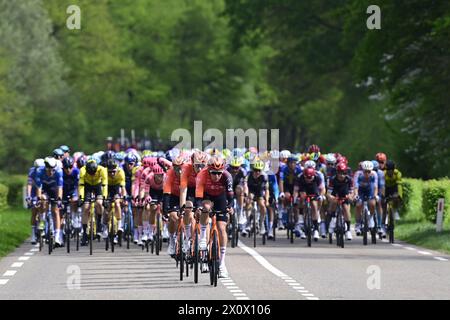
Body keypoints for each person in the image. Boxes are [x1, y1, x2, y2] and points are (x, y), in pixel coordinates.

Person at [195, 156, 234, 278]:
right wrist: (198, 208)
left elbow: (230, 196)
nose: (217, 176)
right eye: (213, 173)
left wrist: (230, 206)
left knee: (222, 228)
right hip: (207, 196)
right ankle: (202, 237)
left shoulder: (227, 176)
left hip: (221, 197)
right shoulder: (202, 175)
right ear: (208, 170)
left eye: (219, 173)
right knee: (205, 208)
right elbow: (198, 197)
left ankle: (222, 263)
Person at [78, 159, 108, 246]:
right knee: (86, 208)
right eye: (90, 173)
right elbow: (81, 186)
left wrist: (105, 198)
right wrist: (81, 198)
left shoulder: (102, 169)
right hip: (87, 186)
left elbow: (105, 185)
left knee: (99, 203)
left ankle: (99, 223)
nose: (92, 175)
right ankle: (84, 233)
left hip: (98, 185)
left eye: (93, 173)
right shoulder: (82, 170)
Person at [35, 157, 64, 246]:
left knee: (56, 211)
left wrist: (59, 199)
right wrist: (39, 198)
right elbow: (39, 187)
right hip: (44, 190)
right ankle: (42, 220)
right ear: (46, 168)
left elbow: (60, 187)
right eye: (49, 170)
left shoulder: (59, 171)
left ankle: (57, 236)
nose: (51, 172)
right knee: (42, 201)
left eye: (53, 170)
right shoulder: (40, 171)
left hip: (54, 190)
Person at [293, 167, 326, 241]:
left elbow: (322, 189)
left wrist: (321, 196)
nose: (308, 179)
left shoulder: (317, 177)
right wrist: (295, 198)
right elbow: (295, 190)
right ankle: (301, 216)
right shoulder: (300, 177)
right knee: (302, 197)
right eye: (306, 177)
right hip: (303, 187)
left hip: (313, 188)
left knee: (314, 205)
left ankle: (316, 229)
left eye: (310, 177)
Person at [327, 162, 354, 240]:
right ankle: (332, 220)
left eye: (344, 173)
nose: (342, 175)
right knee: (334, 202)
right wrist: (331, 197)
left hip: (345, 194)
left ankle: (348, 230)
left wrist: (350, 196)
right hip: (335, 194)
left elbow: (352, 192)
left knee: (346, 208)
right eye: (340, 173)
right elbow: (328, 193)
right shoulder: (332, 179)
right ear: (337, 173)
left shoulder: (349, 179)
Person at [353, 161, 378, 235]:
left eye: (369, 171)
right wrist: (356, 195)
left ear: (371, 170)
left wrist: (375, 195)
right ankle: (358, 223)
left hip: (370, 190)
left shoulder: (374, 174)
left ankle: (371, 218)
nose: (367, 173)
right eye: (365, 171)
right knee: (358, 205)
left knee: (372, 204)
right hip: (360, 191)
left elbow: (375, 187)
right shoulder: (358, 174)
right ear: (362, 170)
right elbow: (356, 186)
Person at [26, 159, 45, 244]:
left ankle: (43, 224)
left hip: (44, 190)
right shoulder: (32, 171)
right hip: (34, 191)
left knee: (43, 205)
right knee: (34, 211)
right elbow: (29, 185)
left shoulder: (45, 170)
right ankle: (33, 233)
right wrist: (28, 196)